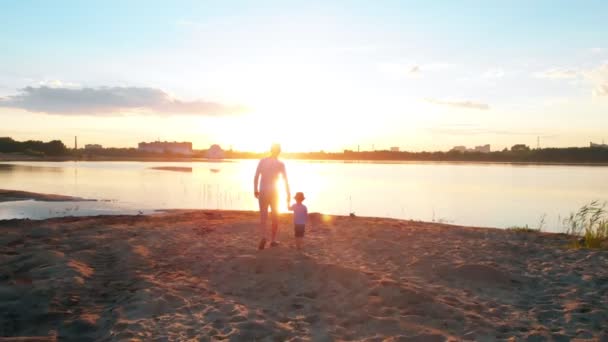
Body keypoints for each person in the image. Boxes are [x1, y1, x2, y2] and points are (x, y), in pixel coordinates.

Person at [253, 143, 290, 250]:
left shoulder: (262, 161)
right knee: (275, 216)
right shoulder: (280, 164)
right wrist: (288, 194)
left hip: (263, 191)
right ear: (279, 151)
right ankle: (273, 240)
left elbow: (256, 176)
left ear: (270, 150)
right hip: (274, 192)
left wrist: (255, 189)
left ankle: (263, 236)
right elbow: (285, 180)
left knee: (263, 216)